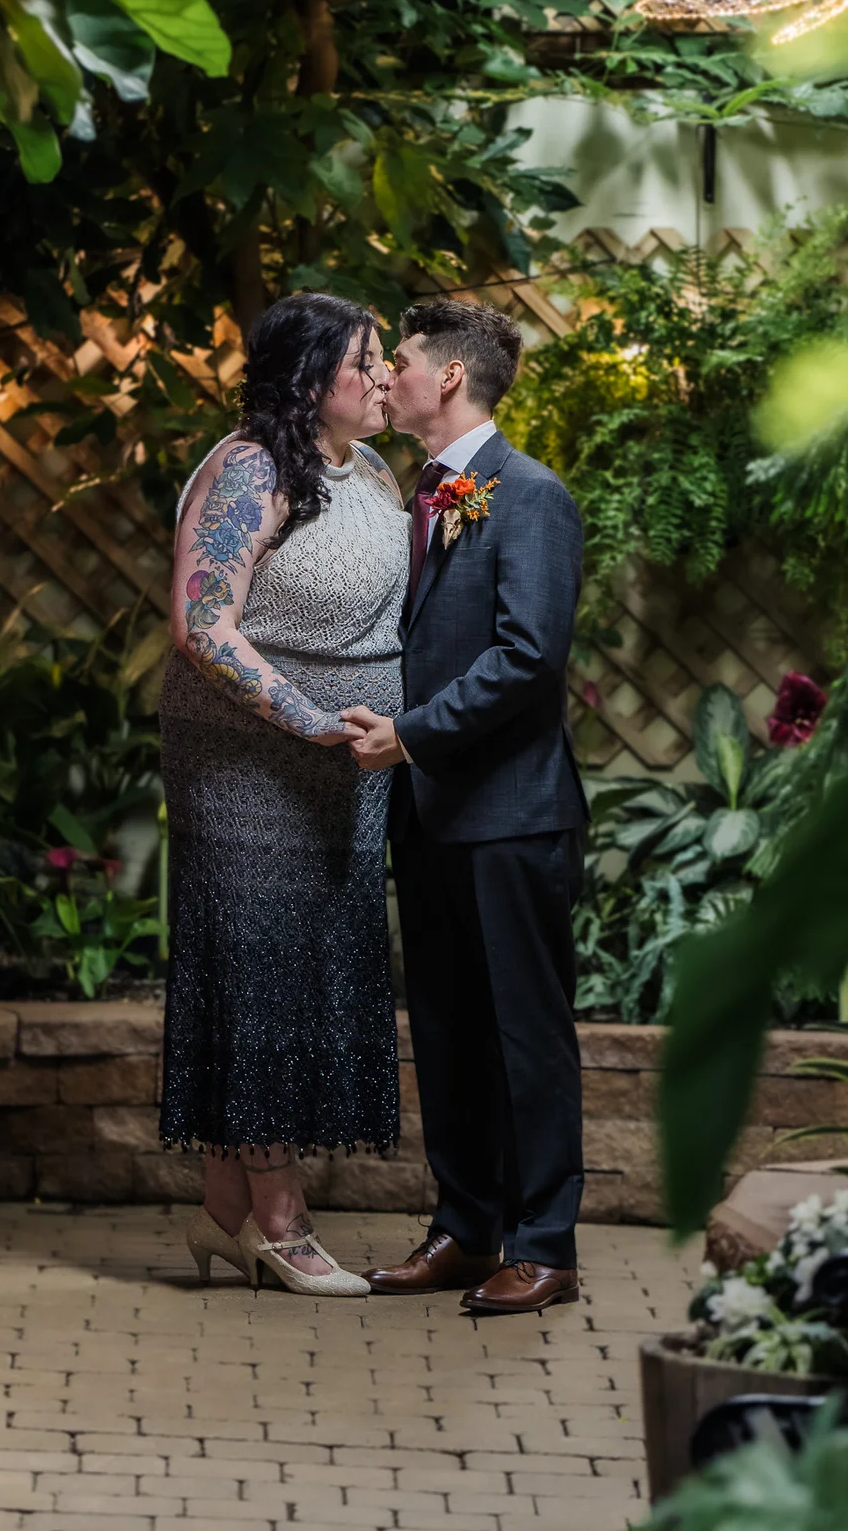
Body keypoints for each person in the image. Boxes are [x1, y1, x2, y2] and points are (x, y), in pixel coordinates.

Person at [158, 292, 410, 1297]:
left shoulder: (383, 473)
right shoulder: (254, 471)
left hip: (349, 774)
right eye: (368, 357)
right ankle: (281, 1222)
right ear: (311, 381)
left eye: (388, 355)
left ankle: (225, 1214)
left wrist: (494, 486)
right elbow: (202, 623)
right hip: (248, 769)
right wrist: (308, 718)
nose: (387, 372)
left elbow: (451, 533)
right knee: (260, 974)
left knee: (296, 978)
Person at [342, 298, 589, 1316]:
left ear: (447, 377)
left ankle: (545, 1246)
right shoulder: (425, 495)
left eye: (396, 360)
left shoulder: (528, 494)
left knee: (525, 1034)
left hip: (512, 812)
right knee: (446, 1029)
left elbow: (529, 658)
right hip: (432, 812)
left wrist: (410, 735)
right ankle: (463, 1227)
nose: (384, 375)